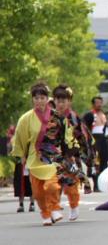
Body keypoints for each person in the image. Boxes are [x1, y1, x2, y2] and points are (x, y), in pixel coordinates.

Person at [12, 83, 62, 226]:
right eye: (37, 98)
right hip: (34, 158)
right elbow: (20, 138)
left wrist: (67, 149)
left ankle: (55, 207)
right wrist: (21, 155)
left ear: (47, 99)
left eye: (42, 97)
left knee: (52, 186)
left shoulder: (56, 116)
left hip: (51, 157)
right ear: (33, 99)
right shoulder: (25, 118)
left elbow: (66, 134)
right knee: (38, 193)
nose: (40, 101)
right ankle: (45, 213)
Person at [52, 84, 94, 221]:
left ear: (69, 101)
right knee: (53, 182)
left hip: (70, 155)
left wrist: (86, 155)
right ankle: (54, 208)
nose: (60, 104)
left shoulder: (74, 117)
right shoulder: (50, 116)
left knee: (71, 183)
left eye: (63, 101)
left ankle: (74, 206)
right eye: (58, 101)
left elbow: (83, 137)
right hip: (54, 155)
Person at [83, 96, 108, 191]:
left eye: (100, 102)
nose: (99, 105)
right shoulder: (89, 115)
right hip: (94, 140)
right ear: (93, 104)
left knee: (104, 162)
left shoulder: (103, 114)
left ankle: (102, 184)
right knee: (95, 163)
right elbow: (85, 128)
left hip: (103, 140)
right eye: (97, 103)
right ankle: (96, 185)